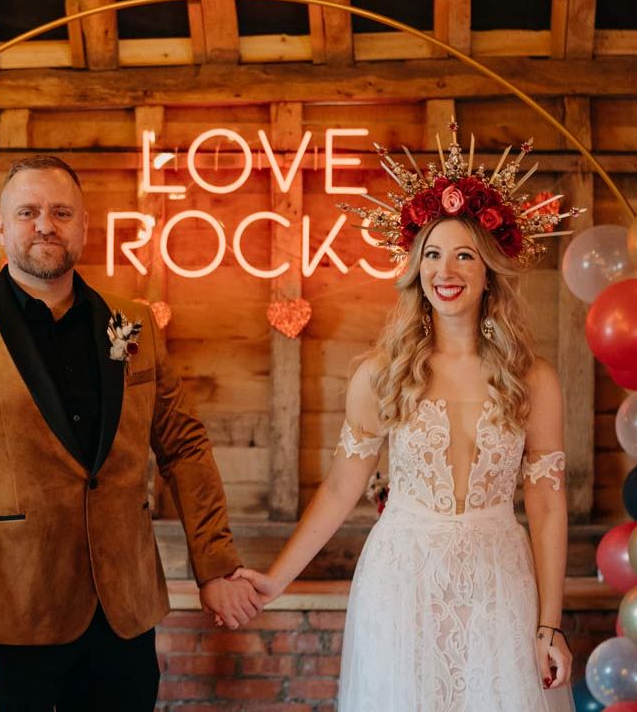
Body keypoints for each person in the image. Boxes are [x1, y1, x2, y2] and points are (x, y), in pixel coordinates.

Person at [0, 155, 261, 711]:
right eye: (27, 211)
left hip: (123, 615)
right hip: (8, 618)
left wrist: (214, 563)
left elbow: (185, 448)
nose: (45, 223)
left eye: (61, 211)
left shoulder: (133, 324)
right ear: (1, 227)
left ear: (84, 227)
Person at [234, 133, 577, 711]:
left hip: (500, 581)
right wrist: (276, 578)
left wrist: (550, 624)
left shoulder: (533, 378)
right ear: (416, 268)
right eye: (433, 255)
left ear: (488, 270)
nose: (447, 270)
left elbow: (546, 503)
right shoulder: (381, 373)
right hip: (403, 579)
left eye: (465, 254)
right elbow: (343, 486)